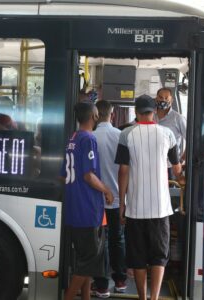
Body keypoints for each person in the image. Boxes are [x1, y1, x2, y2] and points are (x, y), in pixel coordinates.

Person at [115, 95, 183, 300]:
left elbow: (123, 172)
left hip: (135, 208)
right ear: (154, 111)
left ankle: (142, 297)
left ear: (136, 112)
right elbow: (178, 170)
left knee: (137, 257)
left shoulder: (126, 134)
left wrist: (122, 204)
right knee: (159, 257)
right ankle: (154, 298)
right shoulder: (168, 134)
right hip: (161, 208)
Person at [61, 101, 113, 300]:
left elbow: (63, 175)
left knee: (85, 261)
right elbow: (88, 176)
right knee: (88, 262)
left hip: (74, 209)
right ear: (94, 116)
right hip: (88, 210)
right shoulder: (88, 139)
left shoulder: (72, 139)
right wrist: (106, 190)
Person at [92, 100, 127, 297]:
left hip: (96, 200)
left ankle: (102, 285)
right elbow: (127, 170)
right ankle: (121, 281)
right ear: (112, 115)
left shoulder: (91, 137)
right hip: (117, 199)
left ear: (96, 115)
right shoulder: (121, 136)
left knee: (100, 243)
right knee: (118, 239)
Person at [154, 87, 187, 163]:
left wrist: (181, 160)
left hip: (170, 165)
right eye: (161, 97)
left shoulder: (178, 118)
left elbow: (190, 141)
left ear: (171, 100)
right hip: (152, 163)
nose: (163, 100)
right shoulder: (150, 116)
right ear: (156, 99)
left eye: (166, 98)